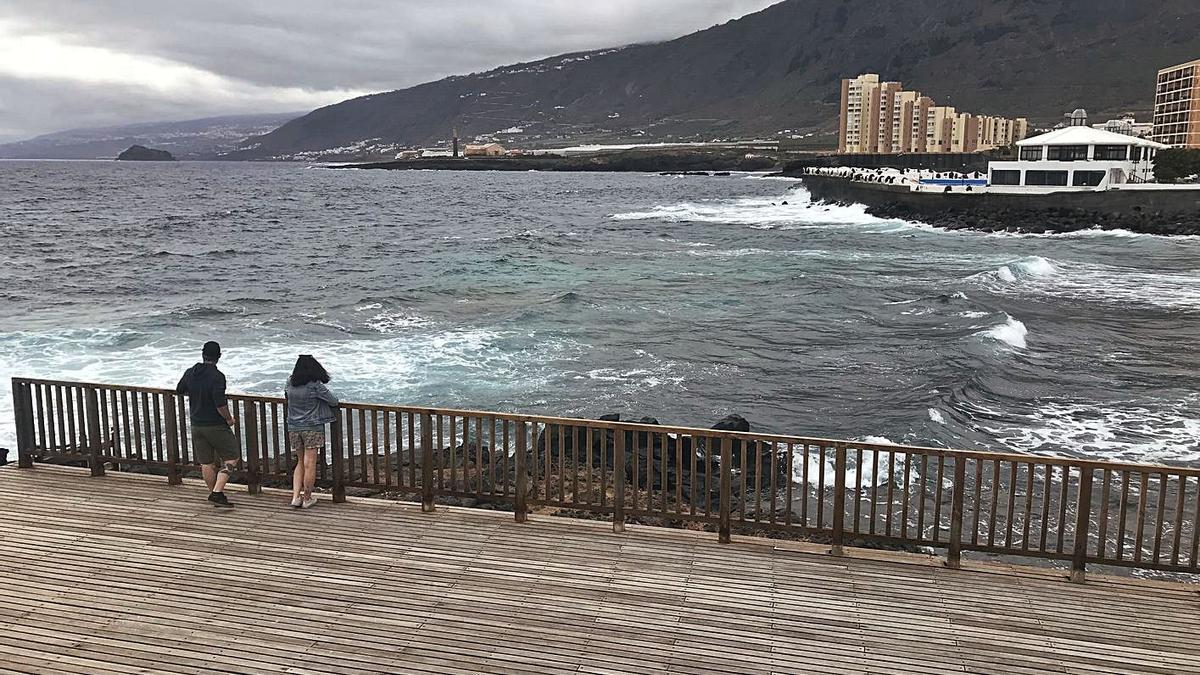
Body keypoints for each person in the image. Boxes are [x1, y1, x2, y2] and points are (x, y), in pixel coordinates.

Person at [176, 341, 238, 508]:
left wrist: (196, 393)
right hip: (215, 425)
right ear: (218, 357)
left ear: (203, 355)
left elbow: (179, 389)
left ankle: (215, 494)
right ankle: (217, 492)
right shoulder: (217, 376)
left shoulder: (191, 372)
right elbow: (220, 404)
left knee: (206, 462)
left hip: (196, 423)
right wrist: (229, 419)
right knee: (232, 458)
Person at [285, 355, 339, 509]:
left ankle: (296, 497)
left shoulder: (290, 381)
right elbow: (333, 401)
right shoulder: (314, 385)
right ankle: (307, 498)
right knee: (310, 464)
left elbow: (287, 396)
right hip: (312, 427)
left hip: (294, 426)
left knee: (300, 462)